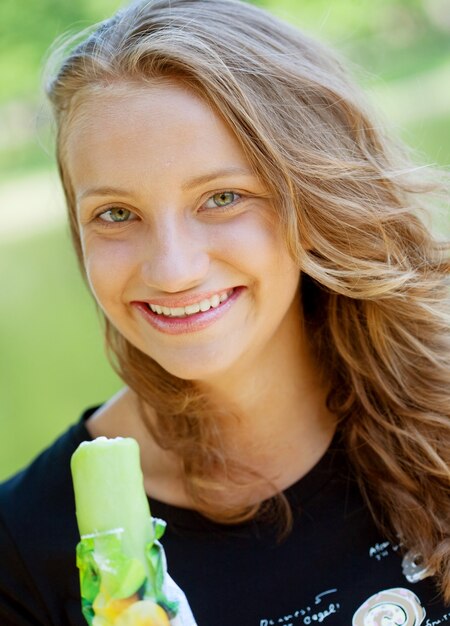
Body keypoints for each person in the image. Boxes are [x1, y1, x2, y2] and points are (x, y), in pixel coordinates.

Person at [1, 0, 449, 624]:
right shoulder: (21, 551)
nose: (173, 269)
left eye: (222, 197)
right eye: (116, 214)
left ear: (312, 196)